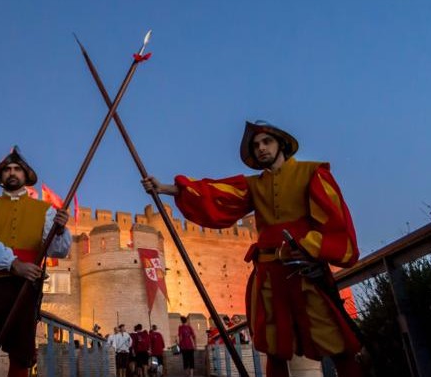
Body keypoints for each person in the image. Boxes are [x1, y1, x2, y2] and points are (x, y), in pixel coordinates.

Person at [142, 121, 362, 377]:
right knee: (274, 345)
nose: (261, 149)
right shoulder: (254, 186)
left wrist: (313, 250)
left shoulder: (311, 173)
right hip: (269, 274)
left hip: (305, 271)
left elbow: (334, 220)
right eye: (256, 145)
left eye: (266, 142)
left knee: (335, 339)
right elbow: (215, 193)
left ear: (281, 144)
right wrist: (165, 188)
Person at [0, 146, 71, 377]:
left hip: (27, 287)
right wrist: (15, 264)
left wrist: (59, 230)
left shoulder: (45, 210)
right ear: (1, 177)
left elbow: (58, 251)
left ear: (26, 176)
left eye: (17, 169)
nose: (12, 173)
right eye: (7, 169)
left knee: (22, 350)